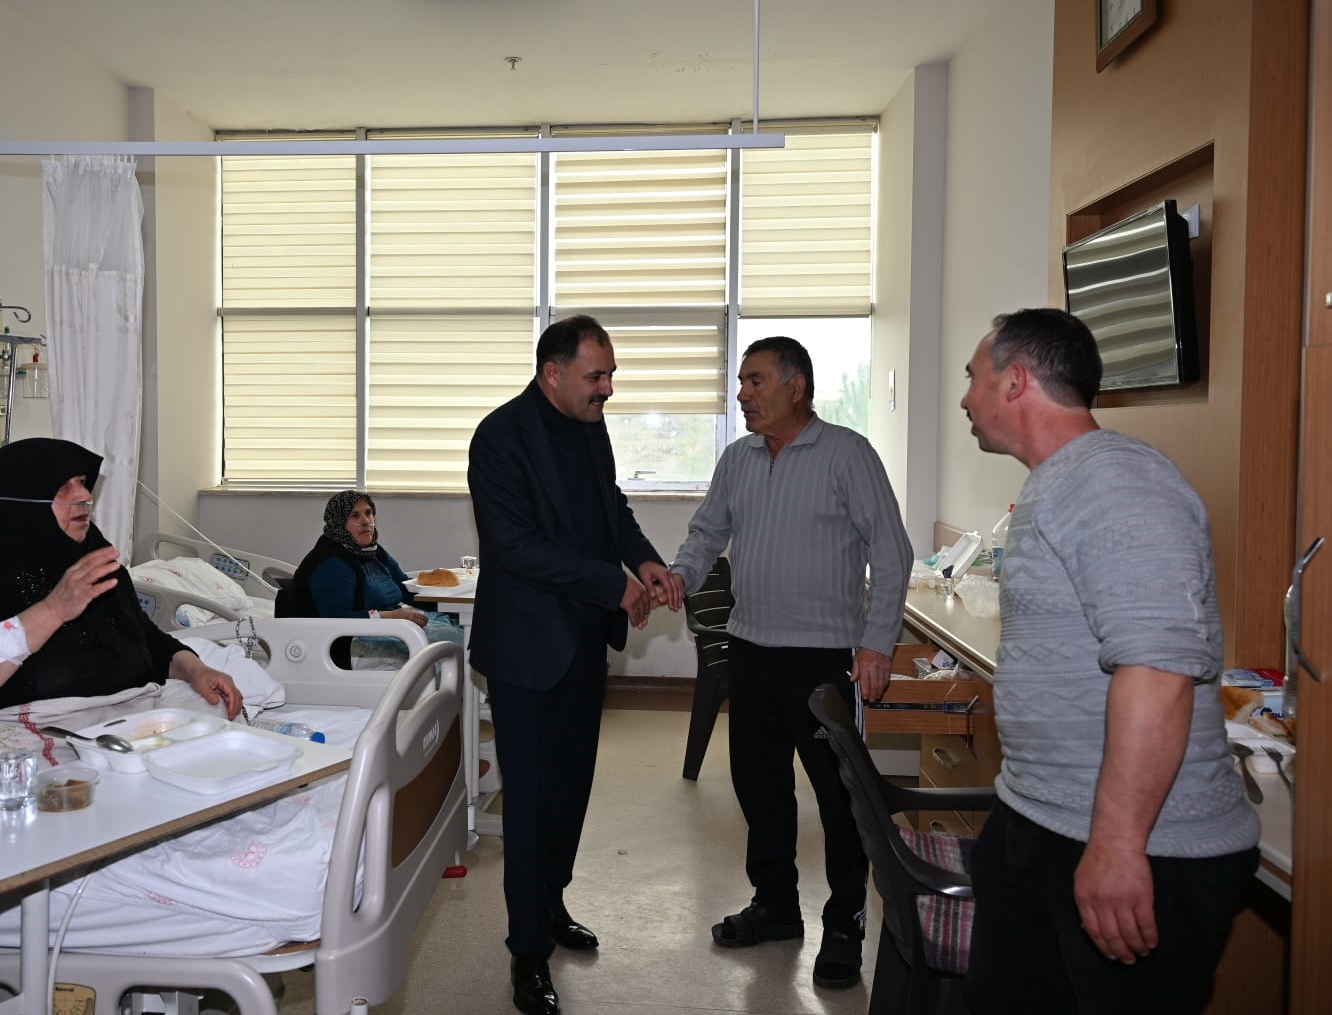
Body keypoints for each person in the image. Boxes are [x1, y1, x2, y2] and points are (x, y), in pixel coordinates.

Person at [958, 309, 1259, 1014]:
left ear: (1014, 382)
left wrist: (1119, 847)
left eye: (973, 378)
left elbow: (1158, 668)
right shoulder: (1058, 481)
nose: (965, 399)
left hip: (1138, 845)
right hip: (1041, 816)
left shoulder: (1116, 480)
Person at [669, 335, 911, 990]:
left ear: (795, 386)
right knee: (760, 786)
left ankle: (846, 924)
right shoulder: (738, 458)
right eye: (742, 382)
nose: (742, 394)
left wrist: (877, 644)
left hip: (824, 658)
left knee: (838, 797)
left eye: (755, 381)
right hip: (751, 649)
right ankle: (776, 905)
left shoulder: (847, 454)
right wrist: (680, 576)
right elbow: (707, 533)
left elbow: (891, 551)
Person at [467, 314, 683, 1015]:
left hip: (583, 642)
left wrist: (642, 559)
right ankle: (527, 952)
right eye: (597, 375)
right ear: (552, 373)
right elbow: (515, 548)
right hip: (526, 652)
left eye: (611, 375)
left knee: (570, 792)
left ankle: (551, 904)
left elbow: (609, 507)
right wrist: (610, 585)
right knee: (530, 803)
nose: (607, 389)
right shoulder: (499, 438)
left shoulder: (590, 425)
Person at [0, 437, 242, 800]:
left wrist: (195, 670)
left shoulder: (91, 555)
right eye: (63, 488)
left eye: (82, 483)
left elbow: (144, 638)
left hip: (119, 713)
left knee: (218, 719)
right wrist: (53, 609)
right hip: (18, 723)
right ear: (21, 503)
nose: (83, 496)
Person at [276, 489, 464, 667]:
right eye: (355, 516)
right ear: (339, 523)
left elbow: (406, 590)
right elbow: (336, 619)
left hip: (389, 627)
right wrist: (392, 617)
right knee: (452, 643)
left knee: (461, 628)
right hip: (351, 643)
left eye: (368, 513)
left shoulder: (372, 551)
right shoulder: (331, 562)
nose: (365, 521)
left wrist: (455, 606)